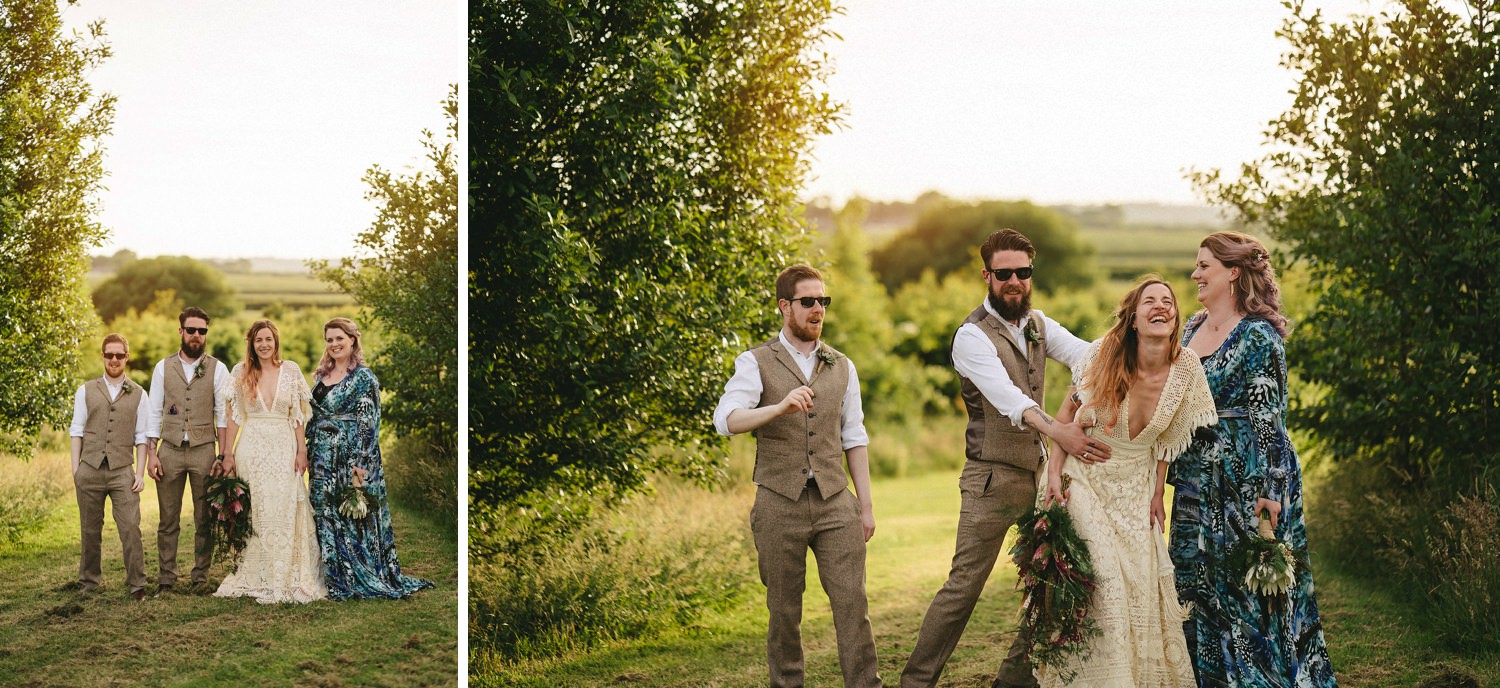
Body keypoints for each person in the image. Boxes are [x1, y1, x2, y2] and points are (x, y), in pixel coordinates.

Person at [902, 229, 1103, 688]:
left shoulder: (1039, 324)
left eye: (1023, 272)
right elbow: (1007, 398)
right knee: (963, 589)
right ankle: (915, 683)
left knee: (1055, 579)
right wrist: (1061, 432)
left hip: (1041, 478)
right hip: (990, 480)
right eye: (1004, 273)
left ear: (1031, 274)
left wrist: (1090, 388)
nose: (1014, 281)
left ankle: (1014, 681)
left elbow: (1086, 356)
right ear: (987, 275)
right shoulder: (971, 337)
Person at [1168, 231, 1337, 686]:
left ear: (1233, 273)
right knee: (1192, 584)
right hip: (1193, 479)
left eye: (1205, 266)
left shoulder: (1259, 336)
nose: (1195, 274)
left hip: (1247, 481)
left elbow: (1271, 422)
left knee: (1247, 590)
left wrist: (1271, 490)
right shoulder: (1188, 331)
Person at [1036, 277, 1216, 687]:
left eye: (1167, 301)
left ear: (1175, 317)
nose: (1160, 306)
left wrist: (1157, 494)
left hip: (1136, 491)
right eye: (1149, 301)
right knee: (1105, 584)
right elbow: (1065, 419)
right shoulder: (1103, 354)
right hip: (1083, 478)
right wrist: (1052, 476)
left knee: (1138, 591)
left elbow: (1168, 441)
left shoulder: (1187, 368)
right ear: (1134, 319)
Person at [713, 265, 882, 688]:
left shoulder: (842, 365)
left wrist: (865, 506)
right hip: (778, 502)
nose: (817, 309)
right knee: (784, 611)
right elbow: (726, 420)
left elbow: (854, 435)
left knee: (852, 603)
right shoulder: (754, 362)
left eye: (823, 301)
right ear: (785, 306)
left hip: (834, 501)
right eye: (808, 301)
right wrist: (779, 408)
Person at [306, 317, 433, 600]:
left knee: (351, 513)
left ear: (352, 340)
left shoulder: (364, 378)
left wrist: (360, 467)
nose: (334, 344)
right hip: (322, 457)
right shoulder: (321, 375)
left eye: (340, 338)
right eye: (329, 339)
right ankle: (333, 575)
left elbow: (370, 423)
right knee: (325, 512)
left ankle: (357, 574)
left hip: (350, 456)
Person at [215, 320, 327, 603]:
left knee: (286, 503)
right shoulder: (240, 372)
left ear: (276, 341)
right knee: (259, 509)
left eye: (268, 339)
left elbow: (298, 415)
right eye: (258, 340)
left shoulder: (290, 370)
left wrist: (302, 451)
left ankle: (287, 572)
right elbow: (233, 418)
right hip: (252, 447)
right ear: (251, 344)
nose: (263, 344)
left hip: (283, 446)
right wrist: (227, 453)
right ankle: (258, 572)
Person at [145, 306, 231, 595]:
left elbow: (223, 414)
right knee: (168, 518)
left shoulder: (218, 369)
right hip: (168, 450)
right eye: (191, 330)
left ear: (206, 334)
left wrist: (221, 455)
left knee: (203, 517)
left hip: (204, 450)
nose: (196, 335)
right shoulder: (162, 367)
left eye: (202, 331)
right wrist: (151, 453)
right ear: (180, 331)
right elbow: (155, 411)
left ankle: (200, 578)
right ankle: (166, 579)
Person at [68, 333, 151, 601]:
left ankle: (137, 583)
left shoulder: (139, 393)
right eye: (109, 354)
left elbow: (142, 437)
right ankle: (89, 581)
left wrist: (139, 473)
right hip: (89, 468)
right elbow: (77, 431)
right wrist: (76, 470)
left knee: (130, 526)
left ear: (127, 357)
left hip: (122, 470)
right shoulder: (86, 390)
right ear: (103, 356)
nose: (114, 359)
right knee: (90, 528)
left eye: (119, 355)